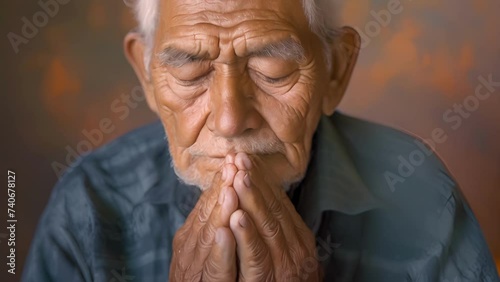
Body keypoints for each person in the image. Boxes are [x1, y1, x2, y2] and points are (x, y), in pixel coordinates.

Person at [23, 0, 499, 281]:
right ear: (146, 76)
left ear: (334, 70)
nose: (230, 120)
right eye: (190, 70)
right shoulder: (88, 205)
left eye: (272, 70)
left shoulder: (421, 196)